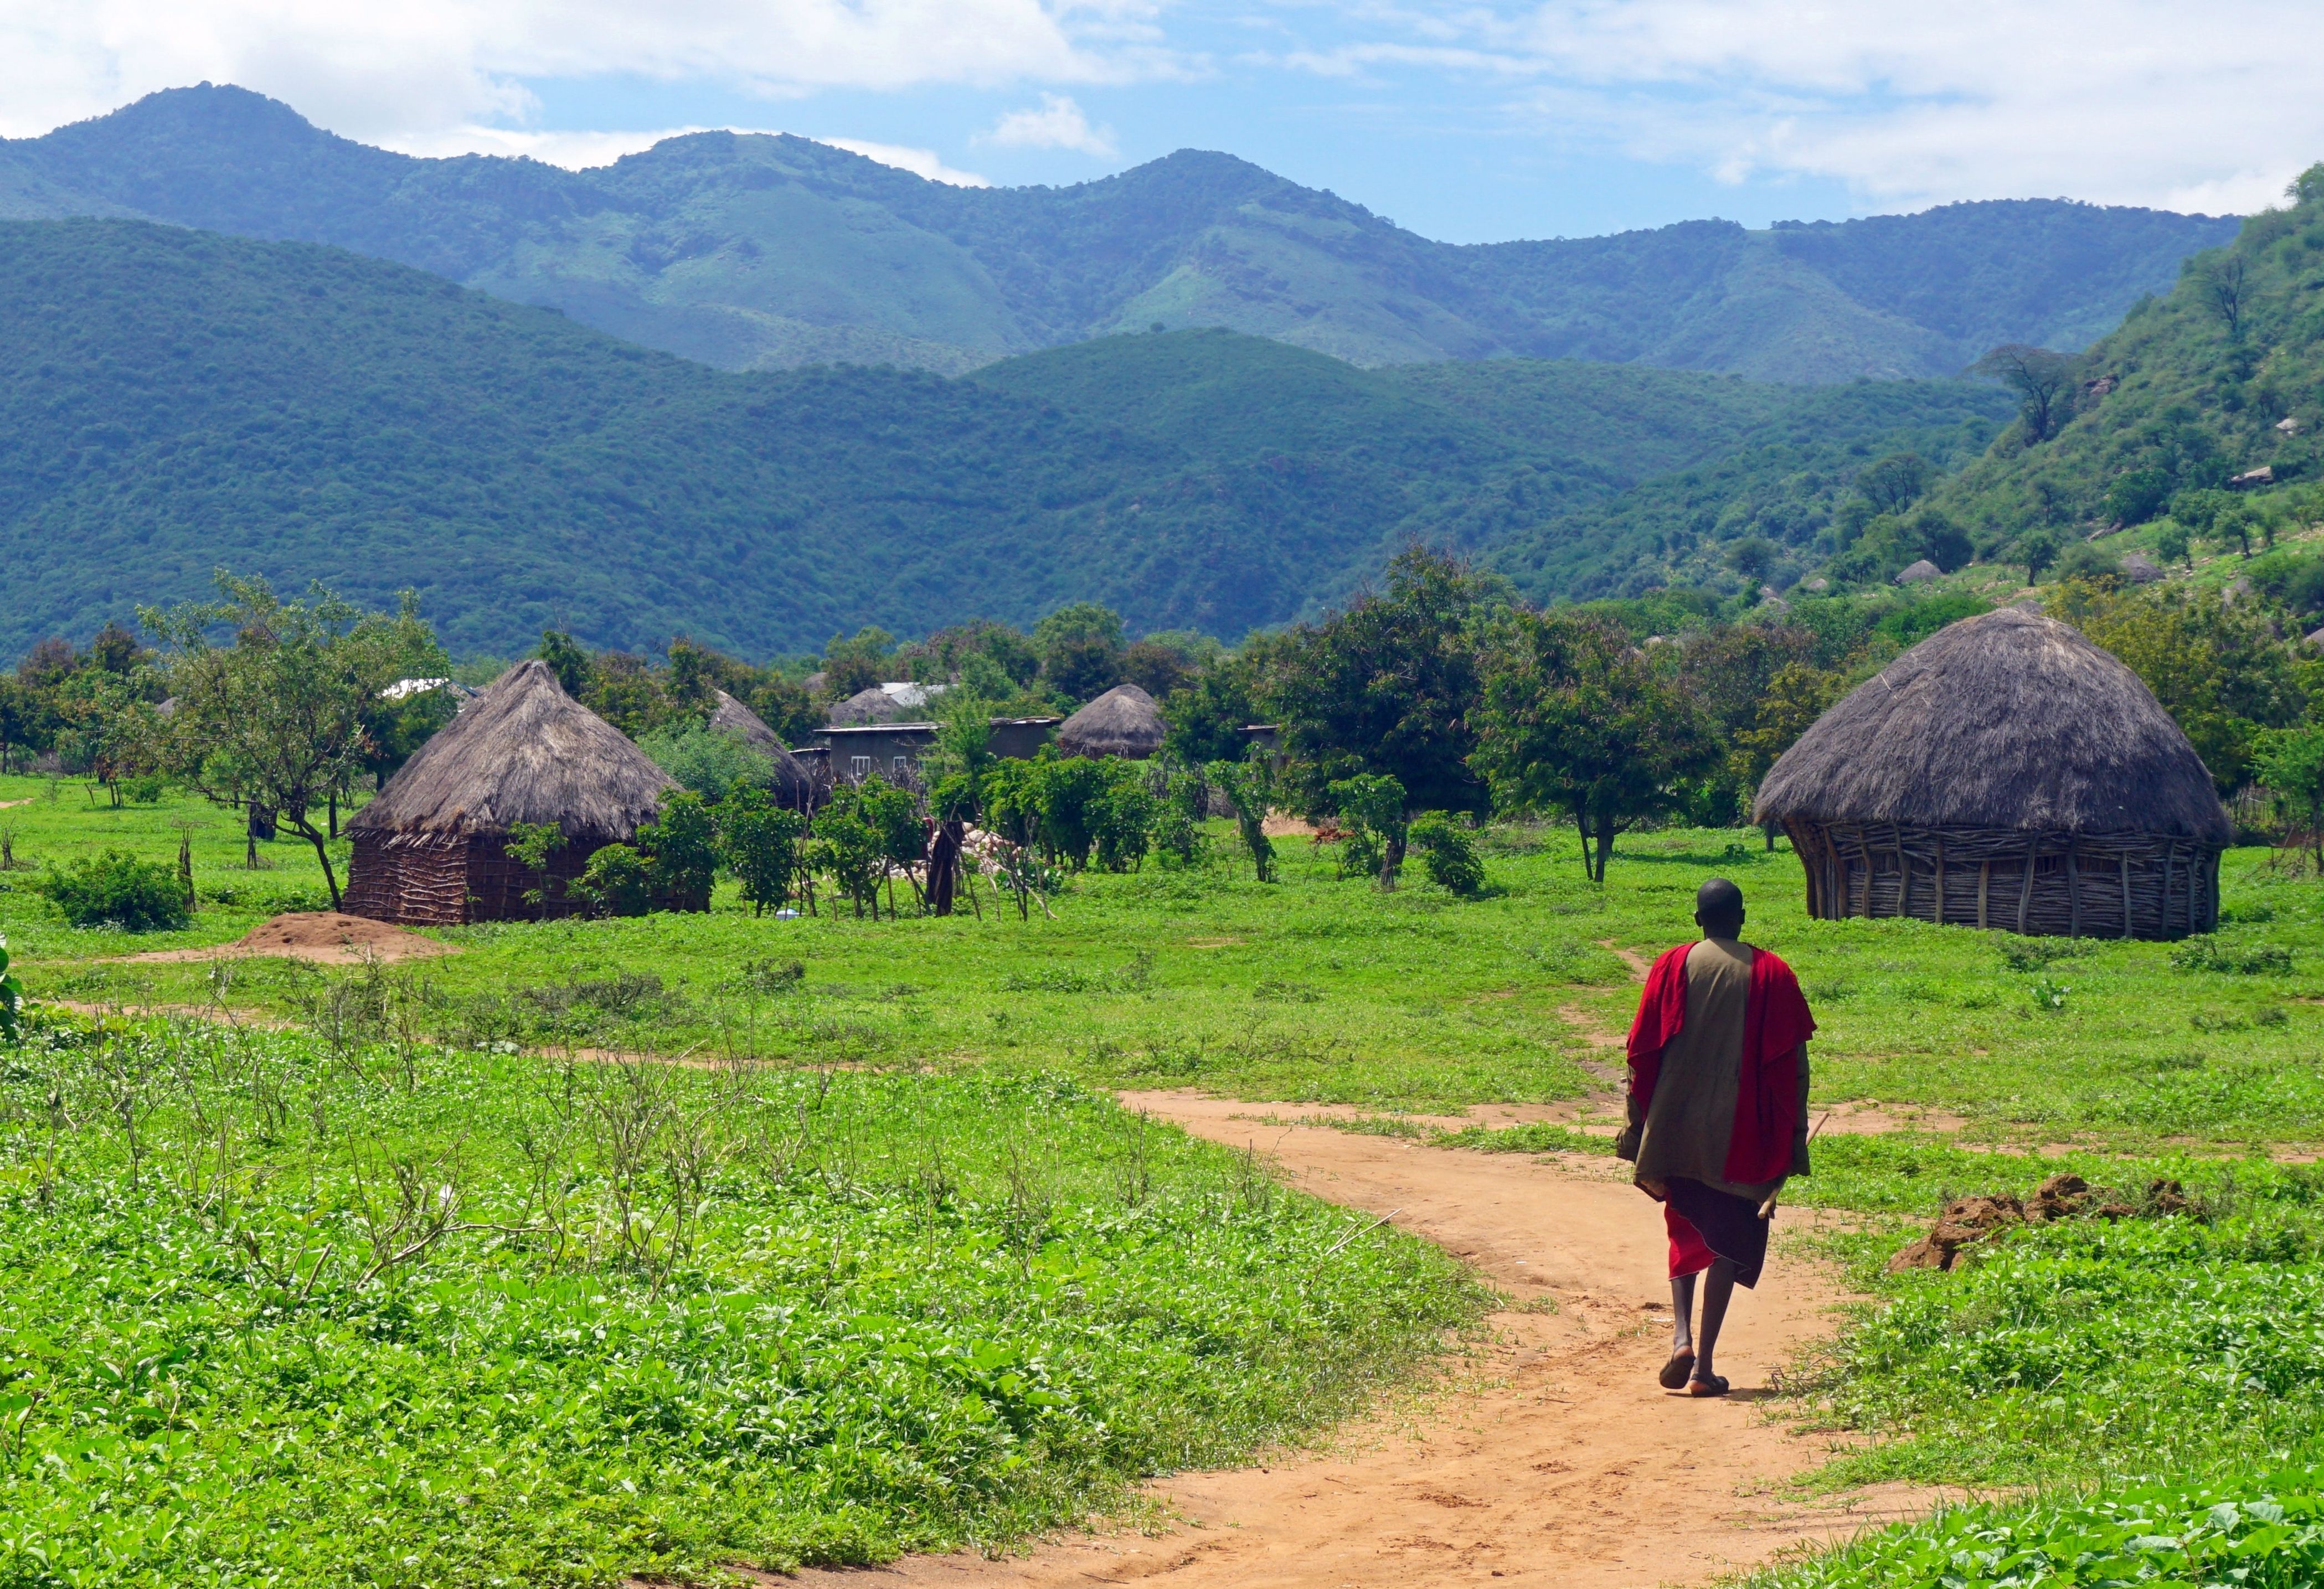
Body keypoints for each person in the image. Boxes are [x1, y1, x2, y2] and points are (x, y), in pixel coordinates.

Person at [1617, 878, 1815, 1397]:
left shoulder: (1672, 965)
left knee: (1683, 1225)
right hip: (1744, 1134)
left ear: (1696, 919)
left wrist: (1638, 1125)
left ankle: (1680, 1337)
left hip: (1675, 1126)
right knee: (1727, 1238)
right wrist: (1791, 1143)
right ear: (1742, 917)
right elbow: (1793, 1068)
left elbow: (1642, 1051)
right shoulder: (1772, 973)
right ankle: (1704, 1367)